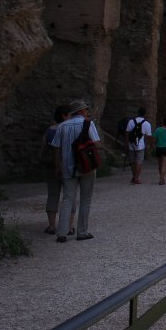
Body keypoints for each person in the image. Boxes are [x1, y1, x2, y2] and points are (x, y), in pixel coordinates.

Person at [49, 98, 100, 242]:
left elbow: (56, 148)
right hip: (86, 166)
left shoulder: (62, 126)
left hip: (67, 166)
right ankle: (82, 232)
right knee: (86, 199)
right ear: (82, 111)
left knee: (67, 198)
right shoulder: (88, 124)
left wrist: (58, 167)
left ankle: (62, 233)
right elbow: (96, 143)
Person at [42, 105, 75, 235]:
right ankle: (70, 226)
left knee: (52, 194)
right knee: (70, 195)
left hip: (51, 166)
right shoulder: (69, 130)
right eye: (70, 115)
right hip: (67, 165)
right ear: (64, 116)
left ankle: (51, 226)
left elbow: (43, 147)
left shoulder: (50, 130)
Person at [125, 108, 152, 185]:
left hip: (131, 145)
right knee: (139, 162)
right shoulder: (147, 123)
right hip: (140, 145)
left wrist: (126, 144)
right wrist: (150, 145)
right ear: (145, 114)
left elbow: (127, 133)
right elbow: (149, 136)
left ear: (137, 113)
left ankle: (134, 177)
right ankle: (136, 178)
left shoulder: (131, 122)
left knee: (132, 162)